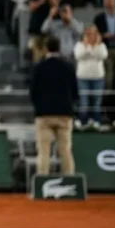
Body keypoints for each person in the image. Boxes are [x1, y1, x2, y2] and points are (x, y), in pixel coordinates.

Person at [29, 36, 78, 176]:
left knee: (43, 152)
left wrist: (39, 107)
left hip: (44, 115)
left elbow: (33, 92)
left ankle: (42, 185)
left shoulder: (39, 67)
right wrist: (69, 106)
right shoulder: (68, 66)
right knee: (65, 151)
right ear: (59, 48)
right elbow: (75, 91)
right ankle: (70, 182)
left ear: (46, 48)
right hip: (64, 114)